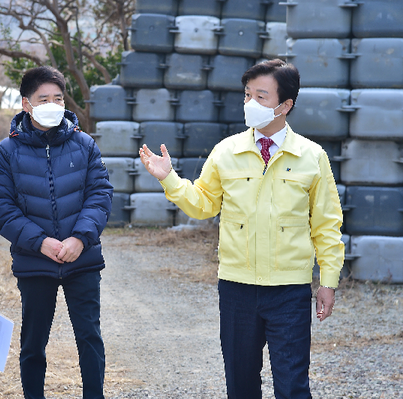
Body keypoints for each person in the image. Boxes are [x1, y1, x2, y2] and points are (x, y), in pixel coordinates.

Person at [139, 59, 344, 399]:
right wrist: (169, 179)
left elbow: (326, 224)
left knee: (293, 385)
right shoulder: (227, 151)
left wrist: (329, 281)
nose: (250, 103)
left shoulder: (312, 156)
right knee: (240, 384)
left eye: (261, 97)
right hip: (237, 288)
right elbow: (203, 204)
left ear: (285, 105)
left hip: (289, 289)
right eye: (247, 94)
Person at [0, 66, 113, 399]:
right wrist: (40, 242)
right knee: (33, 342)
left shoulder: (84, 145)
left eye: (58, 97)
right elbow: (1, 207)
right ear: (26, 104)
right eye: (44, 99)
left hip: (81, 259)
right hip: (35, 262)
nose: (53, 104)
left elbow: (100, 195)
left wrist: (79, 238)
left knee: (89, 338)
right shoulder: (6, 153)